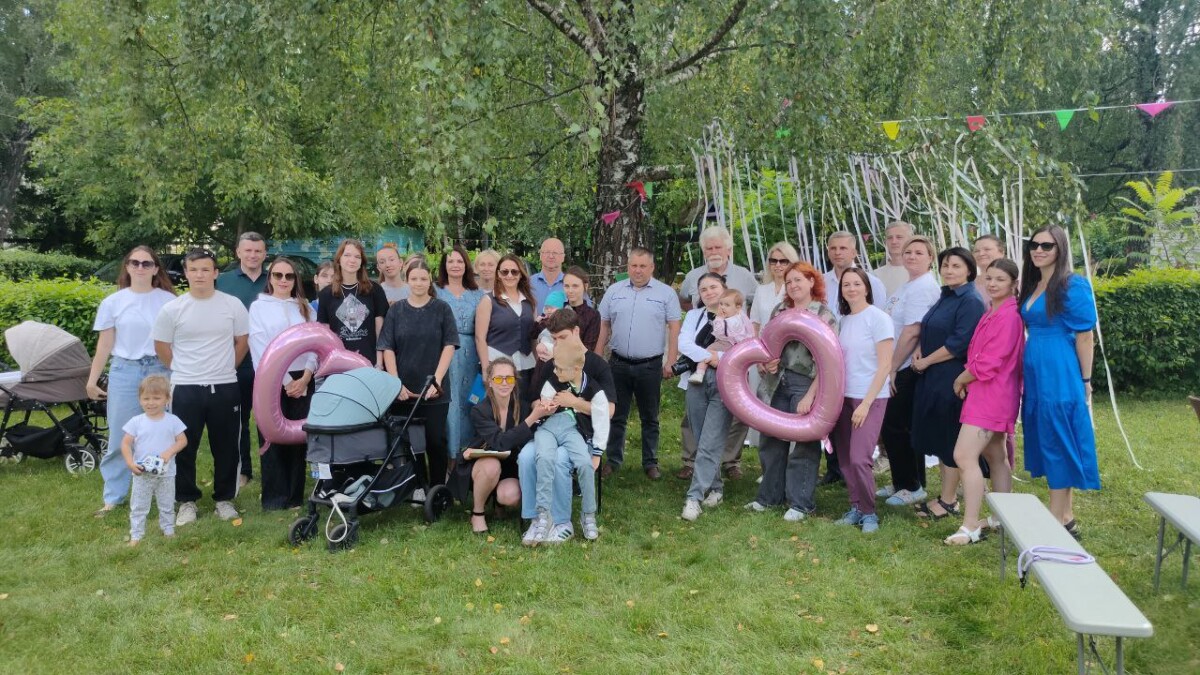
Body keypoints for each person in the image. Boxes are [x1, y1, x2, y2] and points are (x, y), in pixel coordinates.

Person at [152, 248, 250, 526]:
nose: (200, 275)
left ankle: (224, 499)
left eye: (206, 269)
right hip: (186, 387)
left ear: (215, 273)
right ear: (186, 273)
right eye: (194, 269)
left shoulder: (232, 305)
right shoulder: (173, 309)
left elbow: (242, 341)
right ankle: (186, 501)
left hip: (225, 386)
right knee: (183, 446)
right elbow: (161, 346)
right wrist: (182, 369)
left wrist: (227, 367)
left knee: (227, 446)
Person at [1019, 225, 1098, 538]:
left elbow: (1085, 336)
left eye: (1047, 246)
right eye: (1034, 245)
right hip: (1037, 369)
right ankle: (1066, 516)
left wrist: (1085, 379)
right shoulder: (1034, 283)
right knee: (1049, 435)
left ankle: (1055, 519)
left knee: (1058, 437)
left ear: (1060, 249)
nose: (1038, 250)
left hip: (1059, 368)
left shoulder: (1072, 285)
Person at [744, 263, 837, 521]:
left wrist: (811, 396)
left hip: (806, 382)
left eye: (798, 280)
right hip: (776, 381)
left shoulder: (823, 315)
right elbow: (767, 345)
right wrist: (768, 362)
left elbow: (830, 363)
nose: (793, 285)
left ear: (811, 281)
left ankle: (801, 503)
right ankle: (769, 497)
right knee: (771, 439)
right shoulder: (780, 310)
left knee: (804, 443)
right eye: (789, 281)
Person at [88, 246, 176, 517]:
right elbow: (105, 344)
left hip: (160, 369)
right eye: (135, 263)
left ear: (155, 269)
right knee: (120, 436)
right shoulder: (113, 302)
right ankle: (113, 497)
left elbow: (177, 341)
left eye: (146, 263)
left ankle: (164, 493)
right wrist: (92, 380)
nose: (140, 267)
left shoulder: (169, 301)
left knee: (162, 435)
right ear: (127, 267)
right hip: (125, 371)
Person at [519, 307, 617, 538]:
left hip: (581, 434)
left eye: (561, 337)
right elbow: (534, 401)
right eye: (553, 339)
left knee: (561, 459)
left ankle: (562, 522)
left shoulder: (597, 366)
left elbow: (609, 411)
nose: (557, 344)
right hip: (549, 428)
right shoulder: (552, 364)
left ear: (576, 331)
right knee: (525, 456)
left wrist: (575, 403)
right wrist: (545, 406)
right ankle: (536, 518)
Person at [946, 258, 1024, 545]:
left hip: (992, 396)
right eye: (989, 278)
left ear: (1014, 284)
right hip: (989, 393)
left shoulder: (1009, 316)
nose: (992, 284)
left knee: (964, 456)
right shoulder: (994, 309)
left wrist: (961, 379)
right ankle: (1002, 518)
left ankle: (970, 526)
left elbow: (990, 362)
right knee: (996, 456)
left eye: (1000, 279)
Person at [909, 247, 985, 520]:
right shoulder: (946, 295)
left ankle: (949, 501)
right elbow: (931, 329)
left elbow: (959, 342)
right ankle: (945, 495)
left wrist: (927, 361)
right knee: (940, 438)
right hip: (933, 375)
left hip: (951, 377)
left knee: (949, 439)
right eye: (945, 265)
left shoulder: (971, 300)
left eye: (956, 266)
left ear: (969, 270)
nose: (949, 270)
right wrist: (920, 349)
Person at [677, 226, 756, 480]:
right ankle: (692, 460)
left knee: (735, 413)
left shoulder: (745, 276)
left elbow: (753, 306)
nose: (713, 251)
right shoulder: (693, 277)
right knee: (694, 414)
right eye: (708, 247)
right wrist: (707, 356)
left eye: (718, 247)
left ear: (728, 249)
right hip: (701, 352)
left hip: (733, 352)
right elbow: (685, 301)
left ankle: (730, 461)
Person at [596, 247, 682, 480]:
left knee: (650, 417)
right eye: (634, 265)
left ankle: (650, 462)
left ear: (652, 267)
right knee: (616, 414)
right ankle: (613, 460)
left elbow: (674, 328)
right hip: (618, 364)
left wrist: (671, 360)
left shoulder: (665, 293)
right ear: (628, 266)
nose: (638, 270)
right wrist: (596, 357)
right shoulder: (614, 291)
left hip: (650, 365)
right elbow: (604, 325)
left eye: (643, 266)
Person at [380, 260, 458, 494]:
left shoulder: (442, 309)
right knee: (409, 442)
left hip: (434, 389)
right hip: (404, 390)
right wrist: (395, 383)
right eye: (414, 278)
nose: (419, 283)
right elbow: (387, 347)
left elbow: (449, 345)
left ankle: (437, 489)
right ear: (407, 280)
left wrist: (437, 380)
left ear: (430, 280)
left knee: (435, 440)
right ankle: (417, 486)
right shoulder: (396, 311)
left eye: (423, 279)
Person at [248, 257, 316, 511]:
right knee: (273, 436)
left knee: (298, 437)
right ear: (270, 278)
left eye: (289, 276)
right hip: (272, 378)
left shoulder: (305, 307)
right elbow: (259, 346)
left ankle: (295, 496)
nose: (283, 280)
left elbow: (315, 342)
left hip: (303, 378)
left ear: (296, 280)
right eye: (278, 275)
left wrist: (306, 376)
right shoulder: (259, 307)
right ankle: (275, 498)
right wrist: (286, 381)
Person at [879, 236, 942, 506]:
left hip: (904, 367)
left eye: (918, 252)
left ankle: (911, 485)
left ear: (930, 258)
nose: (912, 256)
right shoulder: (909, 285)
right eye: (908, 252)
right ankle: (902, 480)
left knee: (896, 426)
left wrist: (892, 367)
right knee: (898, 426)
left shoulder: (923, 287)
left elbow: (913, 330)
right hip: (898, 363)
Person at [831, 268, 893, 534]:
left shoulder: (878, 318)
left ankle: (869, 513)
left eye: (857, 284)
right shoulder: (844, 321)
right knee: (845, 458)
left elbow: (885, 365)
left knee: (859, 458)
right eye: (846, 285)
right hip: (843, 396)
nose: (852, 288)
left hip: (870, 397)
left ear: (866, 288)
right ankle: (856, 506)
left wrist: (866, 404)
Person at [462, 358, 553, 534]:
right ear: (490, 382)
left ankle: (498, 501)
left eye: (509, 378)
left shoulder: (523, 407)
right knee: (491, 466)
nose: (504, 383)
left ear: (515, 381)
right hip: (485, 463)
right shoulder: (479, 410)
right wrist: (532, 418)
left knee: (509, 495)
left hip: (511, 465)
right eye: (498, 378)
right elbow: (500, 442)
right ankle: (477, 512)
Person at [678, 273, 737, 521]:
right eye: (703, 289)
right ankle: (716, 487)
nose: (709, 292)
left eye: (713, 287)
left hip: (724, 382)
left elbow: (742, 348)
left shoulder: (737, 317)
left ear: (724, 288)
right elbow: (684, 344)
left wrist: (719, 359)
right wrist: (710, 357)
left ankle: (694, 497)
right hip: (696, 380)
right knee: (702, 438)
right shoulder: (694, 316)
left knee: (710, 440)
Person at [216, 232, 267, 489]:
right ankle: (243, 470)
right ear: (238, 252)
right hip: (236, 361)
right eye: (248, 250)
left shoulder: (275, 279)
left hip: (269, 363)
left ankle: (271, 469)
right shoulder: (223, 281)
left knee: (268, 419)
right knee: (238, 420)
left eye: (258, 251)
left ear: (265, 254)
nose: (253, 255)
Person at [119, 375, 187, 546]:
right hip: (142, 473)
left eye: (156, 398)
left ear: (167, 399)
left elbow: (182, 441)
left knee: (167, 503)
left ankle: (169, 530)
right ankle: (136, 535)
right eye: (146, 398)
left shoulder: (173, 421)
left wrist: (169, 452)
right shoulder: (136, 422)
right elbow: (125, 444)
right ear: (140, 400)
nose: (151, 403)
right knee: (139, 506)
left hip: (167, 473)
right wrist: (130, 463)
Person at [437, 244, 486, 460]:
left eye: (459, 261)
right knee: (448, 403)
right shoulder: (435, 291)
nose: (455, 265)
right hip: (443, 352)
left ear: (466, 265)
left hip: (470, 354)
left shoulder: (478, 294)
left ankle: (468, 455)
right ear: (444, 265)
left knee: (470, 401)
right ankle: (448, 457)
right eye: (450, 261)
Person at [316, 239, 389, 367]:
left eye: (357, 257)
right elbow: (325, 335)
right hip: (339, 365)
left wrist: (379, 363)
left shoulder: (374, 290)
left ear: (361, 262)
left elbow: (380, 331)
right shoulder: (326, 294)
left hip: (369, 364)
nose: (352, 260)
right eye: (347, 255)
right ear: (339, 259)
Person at [475, 254, 537, 392]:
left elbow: (533, 336)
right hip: (497, 367)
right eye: (505, 272)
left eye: (514, 272)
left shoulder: (529, 301)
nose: (510, 275)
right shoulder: (488, 300)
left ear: (520, 274)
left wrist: (538, 364)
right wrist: (485, 369)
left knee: (524, 403)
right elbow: (480, 338)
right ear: (498, 274)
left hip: (526, 365)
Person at [689, 288, 753, 385]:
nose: (722, 307)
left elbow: (720, 331)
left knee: (706, 352)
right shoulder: (740, 317)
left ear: (738, 307)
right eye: (721, 304)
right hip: (734, 344)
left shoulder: (731, 321)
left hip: (726, 343)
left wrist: (719, 318)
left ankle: (699, 373)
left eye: (727, 305)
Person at [822, 231, 887, 321]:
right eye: (833, 248)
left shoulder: (871, 282)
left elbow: (879, 317)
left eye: (843, 248)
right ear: (828, 253)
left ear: (854, 253)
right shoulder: (821, 281)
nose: (837, 252)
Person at [751, 242, 801, 334]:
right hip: (764, 340)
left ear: (792, 264)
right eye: (773, 261)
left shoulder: (798, 290)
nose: (777, 265)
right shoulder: (761, 290)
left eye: (783, 261)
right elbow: (755, 323)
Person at [562, 266, 600, 351]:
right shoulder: (558, 310)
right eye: (566, 286)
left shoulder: (592, 315)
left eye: (575, 286)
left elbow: (589, 347)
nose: (570, 290)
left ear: (585, 286)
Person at [876, 221, 914, 297]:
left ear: (910, 240)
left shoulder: (921, 273)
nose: (894, 241)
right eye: (890, 238)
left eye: (899, 237)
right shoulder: (876, 275)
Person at [530, 237, 566, 312]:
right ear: (540, 255)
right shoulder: (528, 283)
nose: (551, 256)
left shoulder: (573, 285)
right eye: (547, 252)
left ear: (563, 257)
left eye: (555, 253)